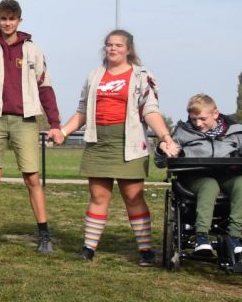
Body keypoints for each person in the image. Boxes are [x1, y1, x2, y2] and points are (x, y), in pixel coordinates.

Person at [57, 29, 178, 266]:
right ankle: (88, 248)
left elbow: (150, 110)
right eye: (109, 45)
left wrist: (165, 136)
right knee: (98, 195)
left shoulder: (141, 76)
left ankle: (145, 250)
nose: (112, 49)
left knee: (133, 197)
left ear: (129, 49)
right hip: (98, 142)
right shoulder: (94, 76)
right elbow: (82, 111)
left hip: (129, 144)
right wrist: (63, 132)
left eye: (118, 45)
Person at [0, 0, 63, 254]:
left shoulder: (33, 49)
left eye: (12, 18)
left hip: (25, 120)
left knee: (32, 177)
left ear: (20, 20)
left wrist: (55, 123)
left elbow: (46, 88)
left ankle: (44, 235)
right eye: (3, 18)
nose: (7, 23)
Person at [164, 94, 242, 256]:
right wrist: (164, 150)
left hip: (227, 174)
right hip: (194, 177)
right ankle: (202, 237)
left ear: (215, 114)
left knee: (241, 183)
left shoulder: (236, 132)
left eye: (202, 118)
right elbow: (162, 159)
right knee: (209, 184)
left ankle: (235, 236)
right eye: (193, 119)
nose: (198, 124)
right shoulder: (182, 132)